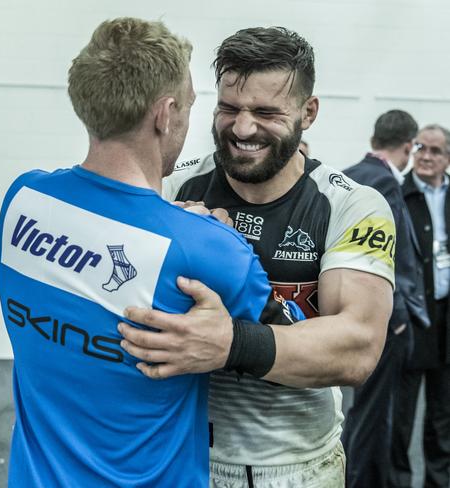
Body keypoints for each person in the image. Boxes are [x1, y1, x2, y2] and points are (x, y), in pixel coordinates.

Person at [0, 18, 303, 488]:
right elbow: (294, 348)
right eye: (191, 107)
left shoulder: (22, 200)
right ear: (164, 114)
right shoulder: (210, 249)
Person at [118, 27, 395, 487]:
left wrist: (230, 341)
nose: (243, 128)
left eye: (266, 112)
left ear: (309, 112)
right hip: (176, 453)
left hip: (297, 467)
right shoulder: (170, 189)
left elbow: (357, 347)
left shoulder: (351, 204)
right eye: (229, 109)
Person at [341, 110, 429, 487]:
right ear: (408, 146)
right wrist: (399, 319)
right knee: (376, 416)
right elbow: (397, 260)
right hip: (384, 319)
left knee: (357, 411)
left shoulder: (347, 176)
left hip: (347, 307)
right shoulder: (385, 184)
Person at [392, 124, 450, 488]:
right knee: (401, 416)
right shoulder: (399, 194)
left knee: (443, 416)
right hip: (412, 320)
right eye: (420, 149)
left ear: (447, 157)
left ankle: (438, 481)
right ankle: (398, 480)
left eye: (435, 151)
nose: (426, 157)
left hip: (446, 318)